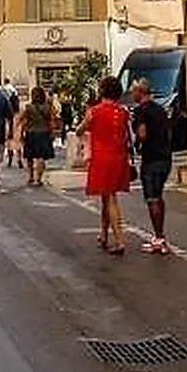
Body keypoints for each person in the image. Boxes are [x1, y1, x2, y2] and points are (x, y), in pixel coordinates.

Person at [78, 76, 132, 256]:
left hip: (102, 158)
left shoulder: (94, 111)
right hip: (119, 157)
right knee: (107, 197)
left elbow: (80, 130)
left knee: (110, 198)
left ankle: (119, 240)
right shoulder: (123, 112)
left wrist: (85, 122)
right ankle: (103, 233)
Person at [129, 79, 173, 255]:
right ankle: (159, 236)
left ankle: (159, 237)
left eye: (133, 92)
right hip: (165, 157)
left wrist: (138, 144)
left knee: (152, 198)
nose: (132, 95)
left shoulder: (141, 111)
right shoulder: (160, 109)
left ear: (141, 92)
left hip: (151, 158)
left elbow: (142, 133)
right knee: (159, 196)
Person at [20, 87, 57, 187]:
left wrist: (21, 134)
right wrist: (52, 132)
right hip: (44, 133)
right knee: (41, 157)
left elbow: (24, 121)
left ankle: (31, 176)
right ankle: (39, 179)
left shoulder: (28, 107)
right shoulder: (48, 107)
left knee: (30, 157)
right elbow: (52, 121)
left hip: (30, 133)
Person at [0, 77, 21, 167]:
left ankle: (10, 159)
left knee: (9, 140)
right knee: (17, 140)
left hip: (5, 116)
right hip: (15, 116)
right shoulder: (14, 90)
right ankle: (19, 158)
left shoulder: (1, 89)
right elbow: (17, 103)